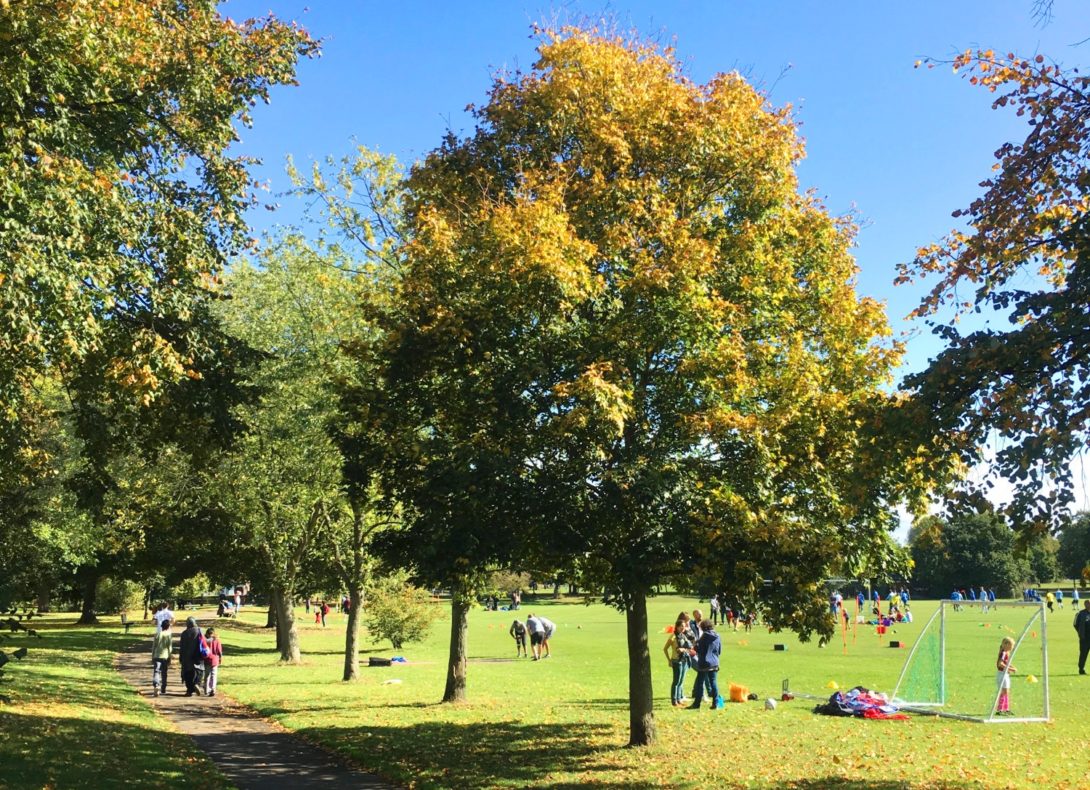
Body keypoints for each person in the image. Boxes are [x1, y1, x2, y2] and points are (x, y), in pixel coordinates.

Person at [687, 619, 722, 710]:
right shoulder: (717, 636)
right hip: (714, 662)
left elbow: (698, 649)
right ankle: (715, 703)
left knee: (700, 683)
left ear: (703, 627)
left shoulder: (704, 636)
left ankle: (697, 704)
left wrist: (695, 644)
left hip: (704, 663)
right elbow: (719, 650)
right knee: (713, 683)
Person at [664, 614, 695, 706]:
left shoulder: (683, 636)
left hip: (684, 660)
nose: (683, 628)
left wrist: (684, 649)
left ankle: (679, 699)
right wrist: (669, 660)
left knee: (681, 681)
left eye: (684, 626)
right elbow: (665, 649)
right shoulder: (673, 637)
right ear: (677, 627)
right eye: (681, 626)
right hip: (676, 661)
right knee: (676, 681)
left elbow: (690, 647)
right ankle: (674, 701)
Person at [178, 617, 203, 697]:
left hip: (186, 657)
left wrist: (181, 657)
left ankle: (189, 690)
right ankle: (196, 683)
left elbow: (181, 646)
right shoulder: (198, 631)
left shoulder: (184, 633)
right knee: (199, 671)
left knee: (187, 674)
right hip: (197, 656)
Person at [995, 636, 1017, 715]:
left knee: (1007, 692)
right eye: (1011, 646)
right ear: (1006, 645)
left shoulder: (1006, 653)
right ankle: (1000, 709)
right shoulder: (1003, 653)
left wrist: (1012, 667)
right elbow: (1000, 664)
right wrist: (1010, 669)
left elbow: (1006, 663)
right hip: (1002, 674)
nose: (1012, 647)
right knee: (1003, 692)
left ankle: (1006, 709)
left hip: (1005, 674)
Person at [151, 621, 172, 697]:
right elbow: (169, 647)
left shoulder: (157, 634)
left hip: (157, 655)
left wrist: (152, 656)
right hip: (165, 656)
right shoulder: (168, 635)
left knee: (157, 671)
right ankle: (163, 688)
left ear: (161, 626)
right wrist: (170, 657)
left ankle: (156, 685)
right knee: (164, 673)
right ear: (168, 627)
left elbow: (154, 646)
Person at [203, 627, 223, 696]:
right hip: (215, 659)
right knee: (214, 675)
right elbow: (219, 651)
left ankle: (206, 690)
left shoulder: (205, 640)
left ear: (207, 633)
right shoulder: (217, 640)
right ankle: (213, 689)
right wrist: (220, 658)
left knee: (207, 675)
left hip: (207, 659)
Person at [1074, 599, 1090, 675]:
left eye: (1088, 604)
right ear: (1085, 605)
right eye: (1086, 604)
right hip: (1084, 638)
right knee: (1083, 654)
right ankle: (1081, 669)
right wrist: (1080, 632)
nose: (1088, 605)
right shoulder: (1081, 613)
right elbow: (1075, 624)